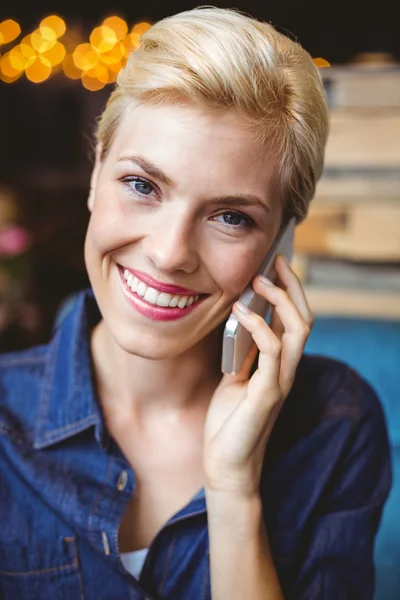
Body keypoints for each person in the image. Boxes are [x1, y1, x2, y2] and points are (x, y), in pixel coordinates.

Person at [0, 6, 391, 600]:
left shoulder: (335, 424)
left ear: (280, 237)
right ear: (95, 171)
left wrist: (234, 492)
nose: (169, 253)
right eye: (142, 186)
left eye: (231, 217)